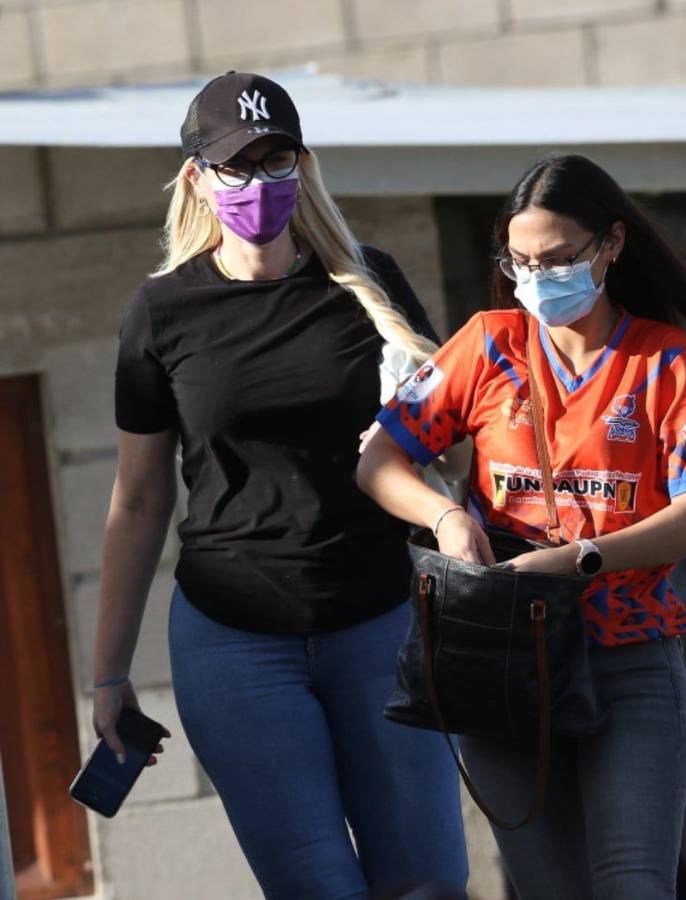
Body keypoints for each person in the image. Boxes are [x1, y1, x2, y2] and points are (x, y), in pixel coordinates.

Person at [90, 71, 468, 900]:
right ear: (197, 177)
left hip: (380, 624)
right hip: (236, 644)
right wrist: (110, 675)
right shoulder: (160, 313)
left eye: (277, 158)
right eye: (237, 163)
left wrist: (428, 423)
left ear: (304, 164)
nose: (259, 181)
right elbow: (140, 498)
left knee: (430, 886)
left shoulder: (369, 286)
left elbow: (451, 454)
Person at [357, 154, 686, 900]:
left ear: (612, 245)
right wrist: (445, 518)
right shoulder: (488, 344)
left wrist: (576, 561)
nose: (539, 277)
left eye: (561, 258)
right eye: (521, 260)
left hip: (629, 655)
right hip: (503, 657)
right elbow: (377, 462)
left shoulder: (665, 358)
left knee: (634, 885)